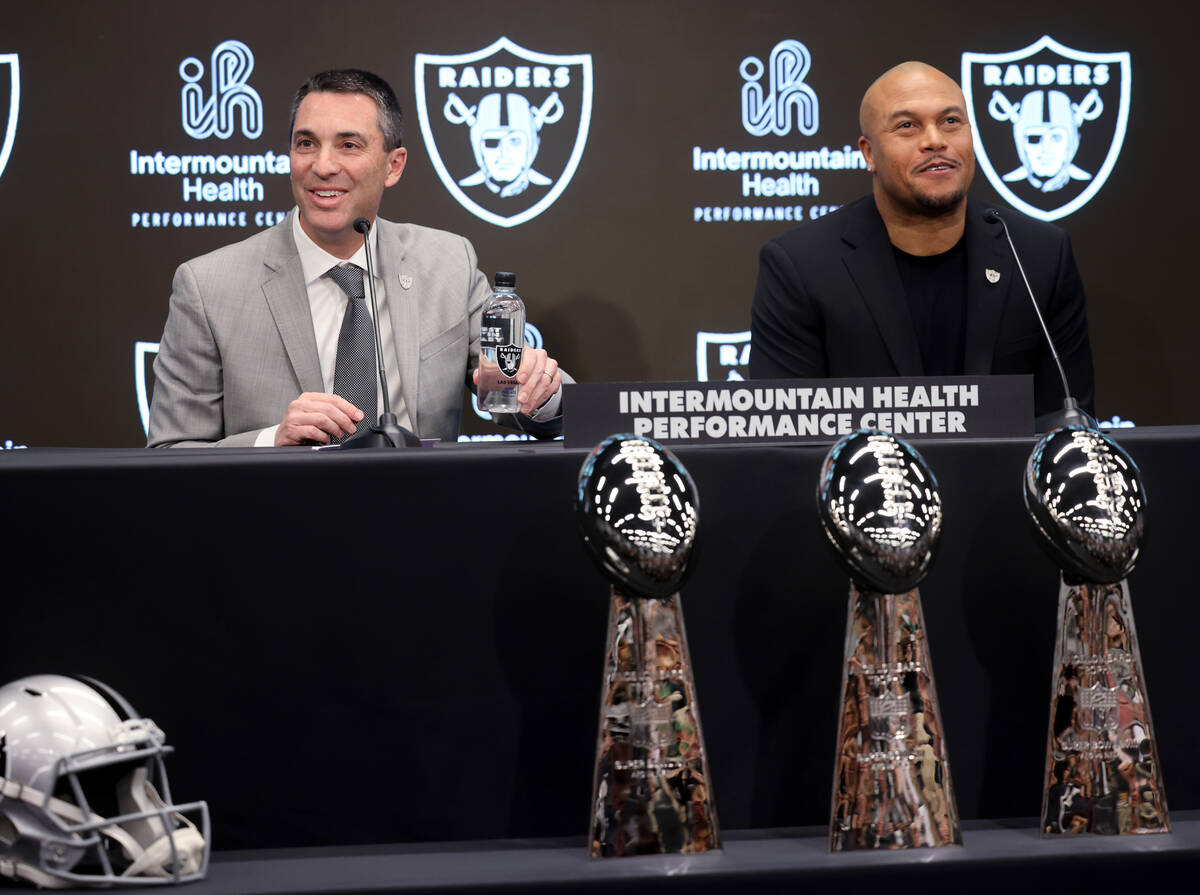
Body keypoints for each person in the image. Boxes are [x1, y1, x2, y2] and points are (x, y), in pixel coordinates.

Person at [148, 69, 565, 447]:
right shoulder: (207, 285)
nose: (323, 166)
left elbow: (532, 404)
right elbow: (169, 453)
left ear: (393, 166)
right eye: (306, 144)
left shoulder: (447, 263)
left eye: (348, 145)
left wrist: (538, 389)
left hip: (422, 516)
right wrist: (271, 441)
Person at [749, 62, 1094, 423]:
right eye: (907, 126)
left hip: (1009, 479)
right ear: (869, 153)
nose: (935, 140)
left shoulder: (1037, 254)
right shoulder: (802, 266)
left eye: (950, 122)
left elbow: (1068, 425)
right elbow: (786, 439)